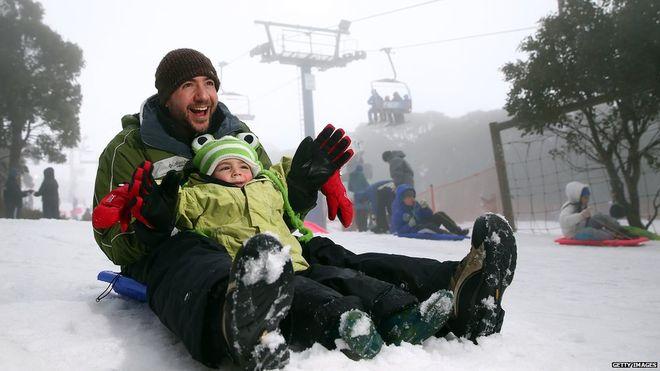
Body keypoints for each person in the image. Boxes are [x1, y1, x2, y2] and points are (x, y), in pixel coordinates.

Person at [91, 49, 354, 369]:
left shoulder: (239, 135)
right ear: (166, 97)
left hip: (247, 238)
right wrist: (150, 225)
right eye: (188, 85)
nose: (202, 95)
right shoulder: (131, 148)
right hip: (175, 253)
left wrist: (301, 188)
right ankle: (236, 326)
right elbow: (116, 243)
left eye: (209, 83)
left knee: (316, 248)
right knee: (191, 249)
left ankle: (407, 295)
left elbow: (270, 203)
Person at [173, 134, 455, 360]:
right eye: (225, 167)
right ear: (208, 172)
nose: (236, 172)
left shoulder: (267, 187)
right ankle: (346, 326)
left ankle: (399, 313)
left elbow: (287, 186)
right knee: (312, 297)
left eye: (243, 166)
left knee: (347, 278)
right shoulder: (199, 194)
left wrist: (311, 177)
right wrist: (159, 202)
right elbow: (172, 212)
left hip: (297, 260)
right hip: (260, 273)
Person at [559, 181, 632, 240]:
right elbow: (564, 221)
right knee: (590, 232)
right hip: (574, 234)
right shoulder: (568, 208)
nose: (587, 200)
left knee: (600, 217)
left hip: (583, 226)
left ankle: (619, 229)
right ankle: (614, 236)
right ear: (577, 197)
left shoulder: (581, 204)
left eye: (588, 197)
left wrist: (590, 215)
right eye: (585, 198)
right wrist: (581, 216)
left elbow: (589, 218)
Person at [391, 184, 468, 236]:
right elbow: (399, 231)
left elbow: (429, 215)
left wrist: (425, 208)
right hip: (416, 229)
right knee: (428, 226)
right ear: (401, 199)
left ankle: (457, 231)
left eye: (412, 196)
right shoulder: (398, 212)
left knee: (439, 214)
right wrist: (409, 225)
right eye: (408, 196)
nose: (411, 198)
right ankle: (449, 235)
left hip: (424, 224)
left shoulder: (416, 204)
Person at [348, 165, 370, 231]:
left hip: (356, 195)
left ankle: (359, 227)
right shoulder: (362, 174)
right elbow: (366, 185)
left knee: (358, 211)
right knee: (364, 210)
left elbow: (349, 187)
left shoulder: (351, 176)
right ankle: (364, 227)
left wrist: (355, 190)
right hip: (363, 195)